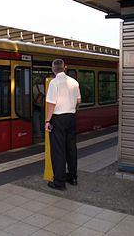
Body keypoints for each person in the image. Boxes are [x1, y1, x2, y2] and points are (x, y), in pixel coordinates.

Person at [45, 59, 81, 190]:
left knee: (58, 150)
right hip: (71, 117)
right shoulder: (74, 82)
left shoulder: (54, 83)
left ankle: (59, 182)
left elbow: (51, 103)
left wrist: (47, 121)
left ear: (53, 69)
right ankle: (73, 177)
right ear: (65, 68)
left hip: (58, 118)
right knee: (71, 148)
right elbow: (79, 100)